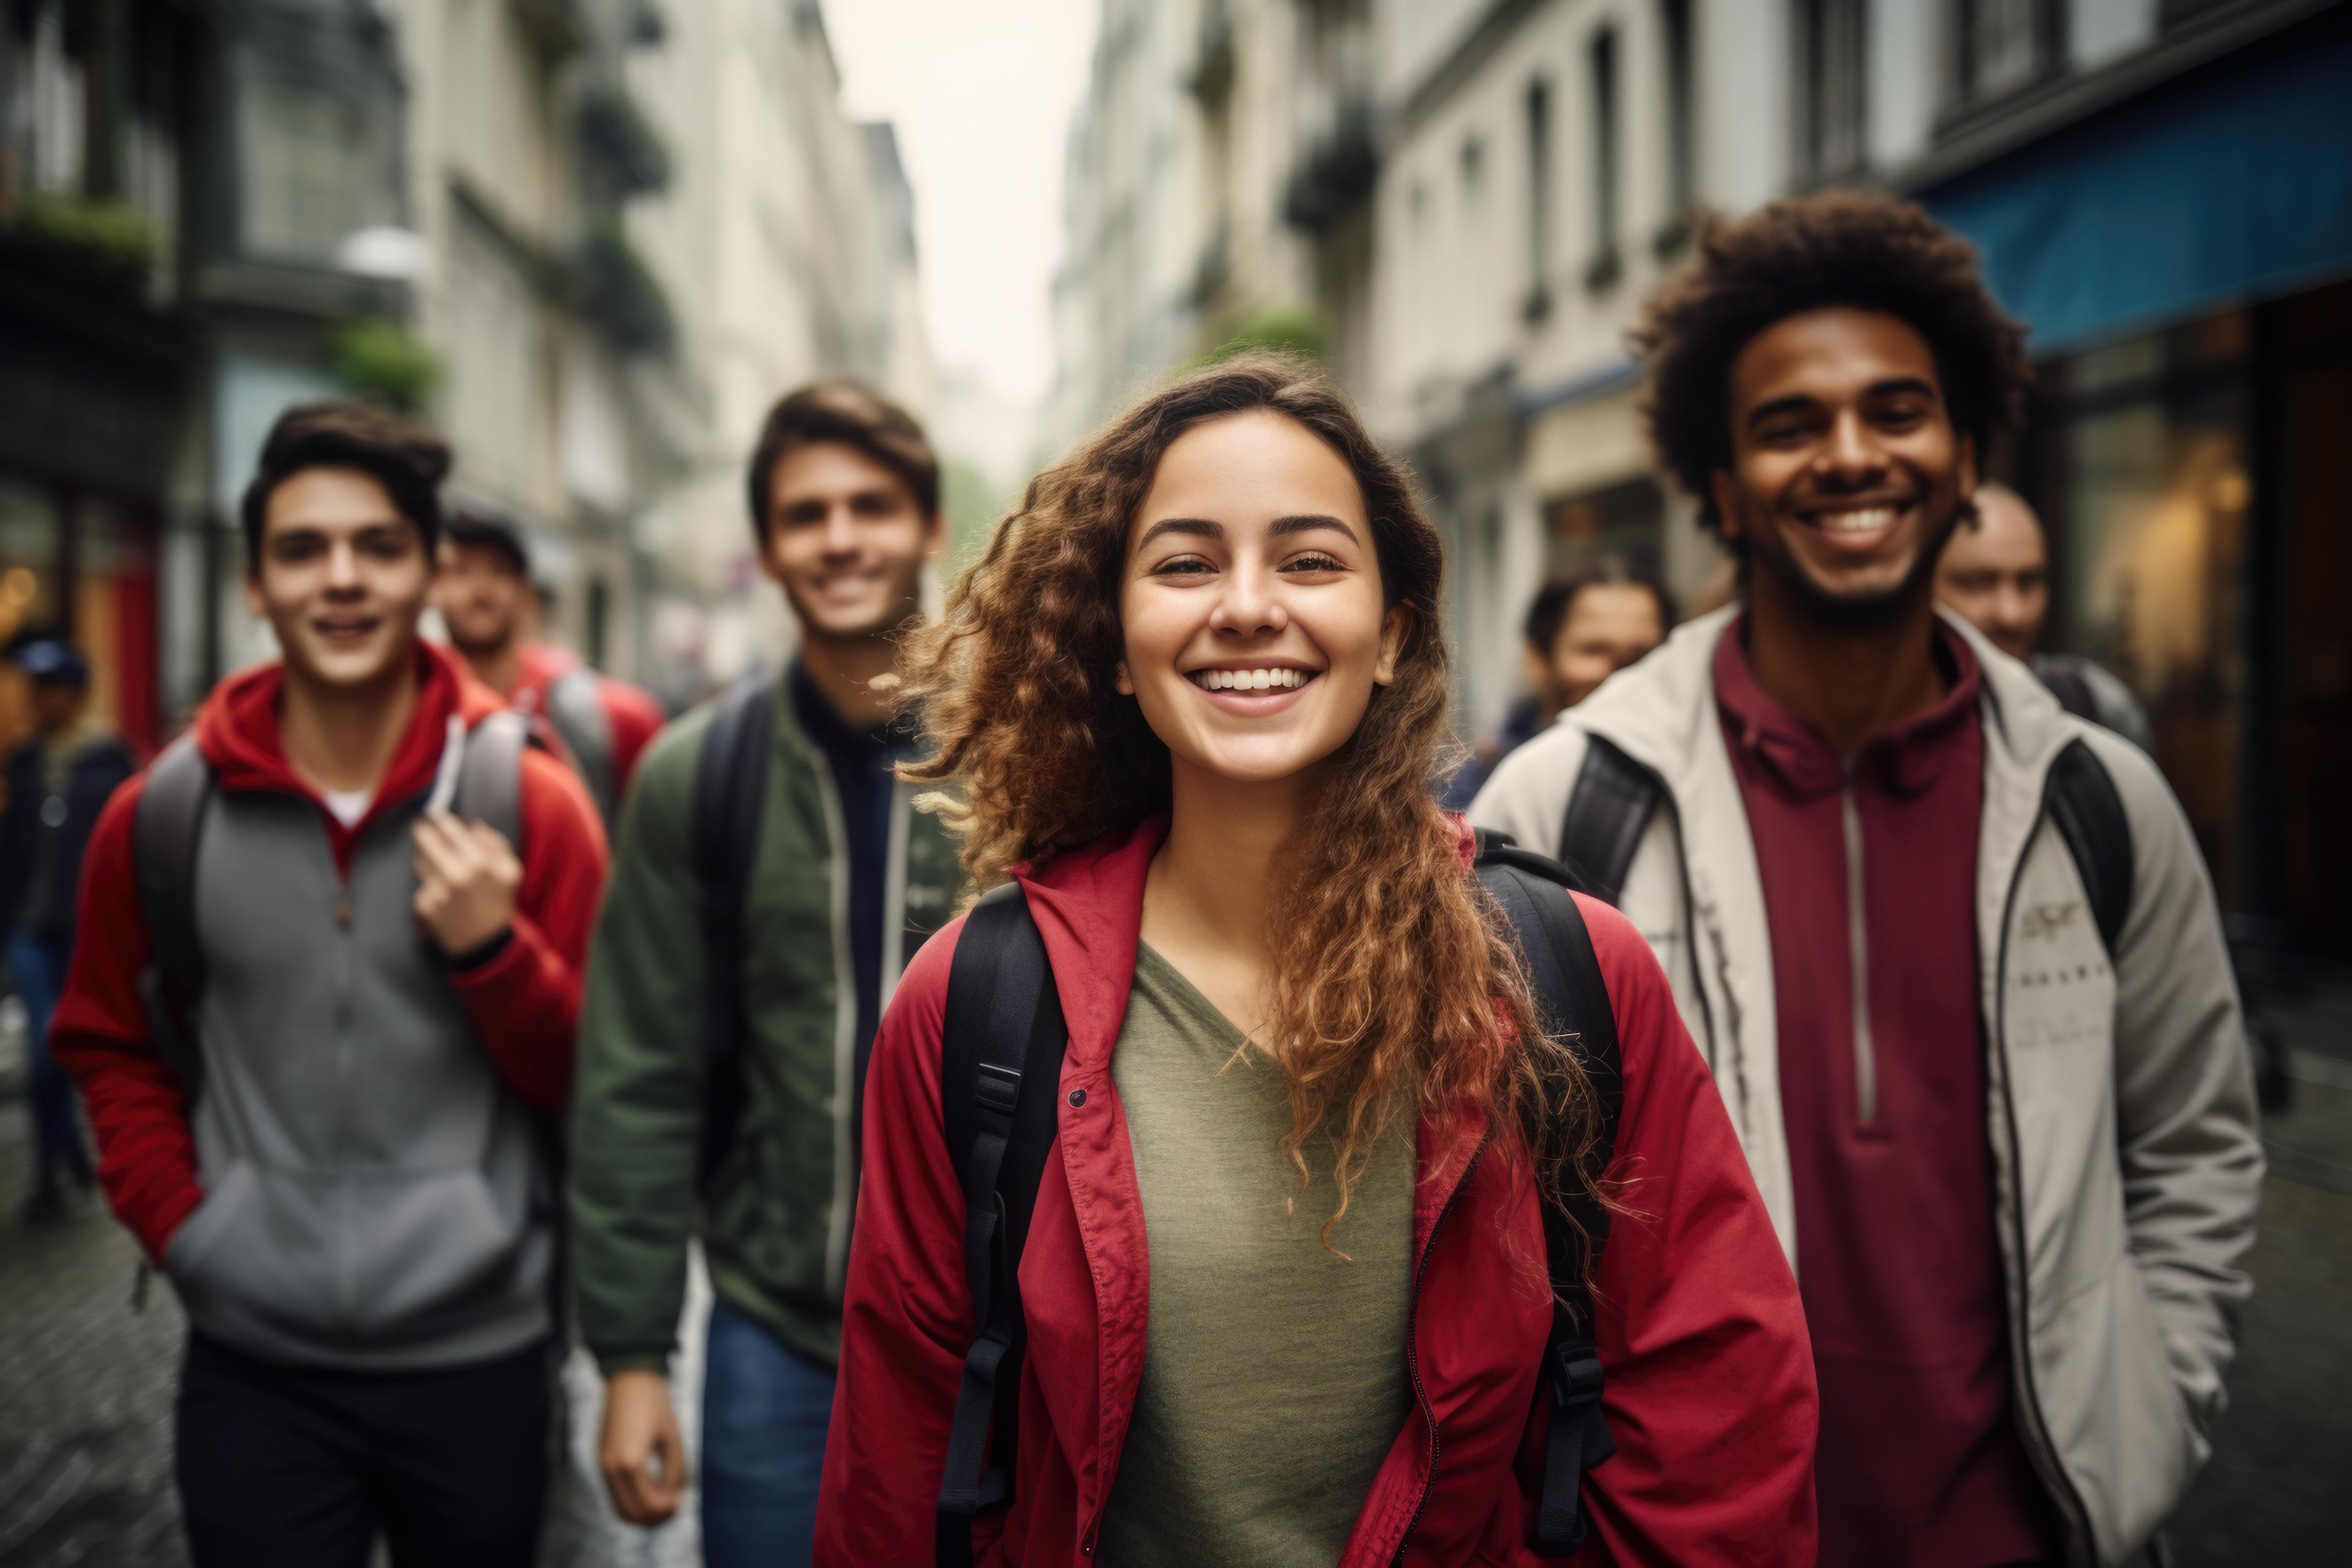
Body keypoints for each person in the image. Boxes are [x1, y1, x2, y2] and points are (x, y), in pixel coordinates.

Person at [813, 355, 1818, 1565]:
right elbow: (899, 1459)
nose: (1247, 605)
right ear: (1116, 647)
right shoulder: (974, 1002)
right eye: (1185, 563)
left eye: (1309, 560)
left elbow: (1717, 1422)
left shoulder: (1566, 971)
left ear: (1389, 635)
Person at [1471, 193, 2262, 1567]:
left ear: (1965, 461)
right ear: (1720, 487)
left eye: (1898, 412)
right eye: (1789, 425)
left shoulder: (2099, 801)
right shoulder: (1568, 804)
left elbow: (2193, 1143)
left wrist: (2152, 1413)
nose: (1850, 454)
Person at [50, 401, 608, 1567]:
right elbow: (106, 1039)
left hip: (479, 1357)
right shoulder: (162, 812)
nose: (340, 579)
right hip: (257, 1368)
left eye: (379, 545)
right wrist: (191, 1229)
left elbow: (600, 1080)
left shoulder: (529, 801)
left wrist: (495, 955)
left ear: (428, 575)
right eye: (302, 549)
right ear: (255, 583)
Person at [569, 380, 964, 1567]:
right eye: (805, 514)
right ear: (768, 546)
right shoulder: (702, 773)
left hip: (1007, 1340)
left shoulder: (1029, 759)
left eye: (870, 505)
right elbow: (638, 1072)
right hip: (779, 1335)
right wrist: (633, 1357)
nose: (838, 537)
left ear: (929, 526)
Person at [0, 639, 131, 1221]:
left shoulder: (109, 759)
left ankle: (72, 1150)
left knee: (67, 1047)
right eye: (33, 687)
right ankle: (51, 1172)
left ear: (74, 692)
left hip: (85, 929)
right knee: (44, 1045)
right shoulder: (24, 761)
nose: (38, 699)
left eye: (48, 687)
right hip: (31, 927)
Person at [435, 508, 667, 822]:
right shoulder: (410, 705)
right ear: (431, 590)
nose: (480, 588)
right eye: (461, 571)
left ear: (529, 596)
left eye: (499, 571)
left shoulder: (604, 714)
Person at [1936, 480, 2154, 749]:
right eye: (1978, 583)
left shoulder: (2096, 707)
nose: (2012, 614)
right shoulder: (1886, 716)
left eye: (2029, 581)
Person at [1442, 558, 1672, 807]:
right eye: (1594, 650)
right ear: (1538, 659)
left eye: (1641, 655)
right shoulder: (1471, 792)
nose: (1620, 674)